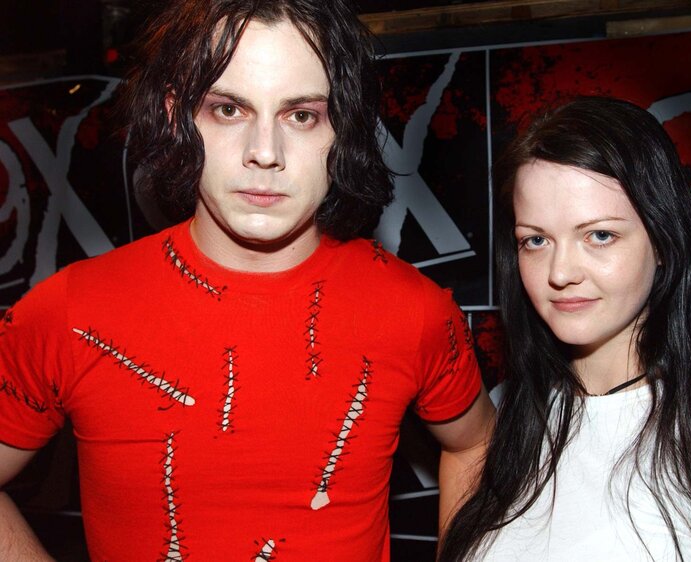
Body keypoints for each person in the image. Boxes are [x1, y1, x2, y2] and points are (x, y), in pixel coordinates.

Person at [0, 1, 494, 560]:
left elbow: (476, 443)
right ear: (177, 114)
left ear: (343, 127)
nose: (265, 153)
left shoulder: (415, 309)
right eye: (229, 109)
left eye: (301, 115)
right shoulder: (71, 309)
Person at [439, 96, 691, 561]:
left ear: (663, 241)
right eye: (536, 240)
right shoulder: (515, 429)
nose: (561, 271)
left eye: (599, 235)